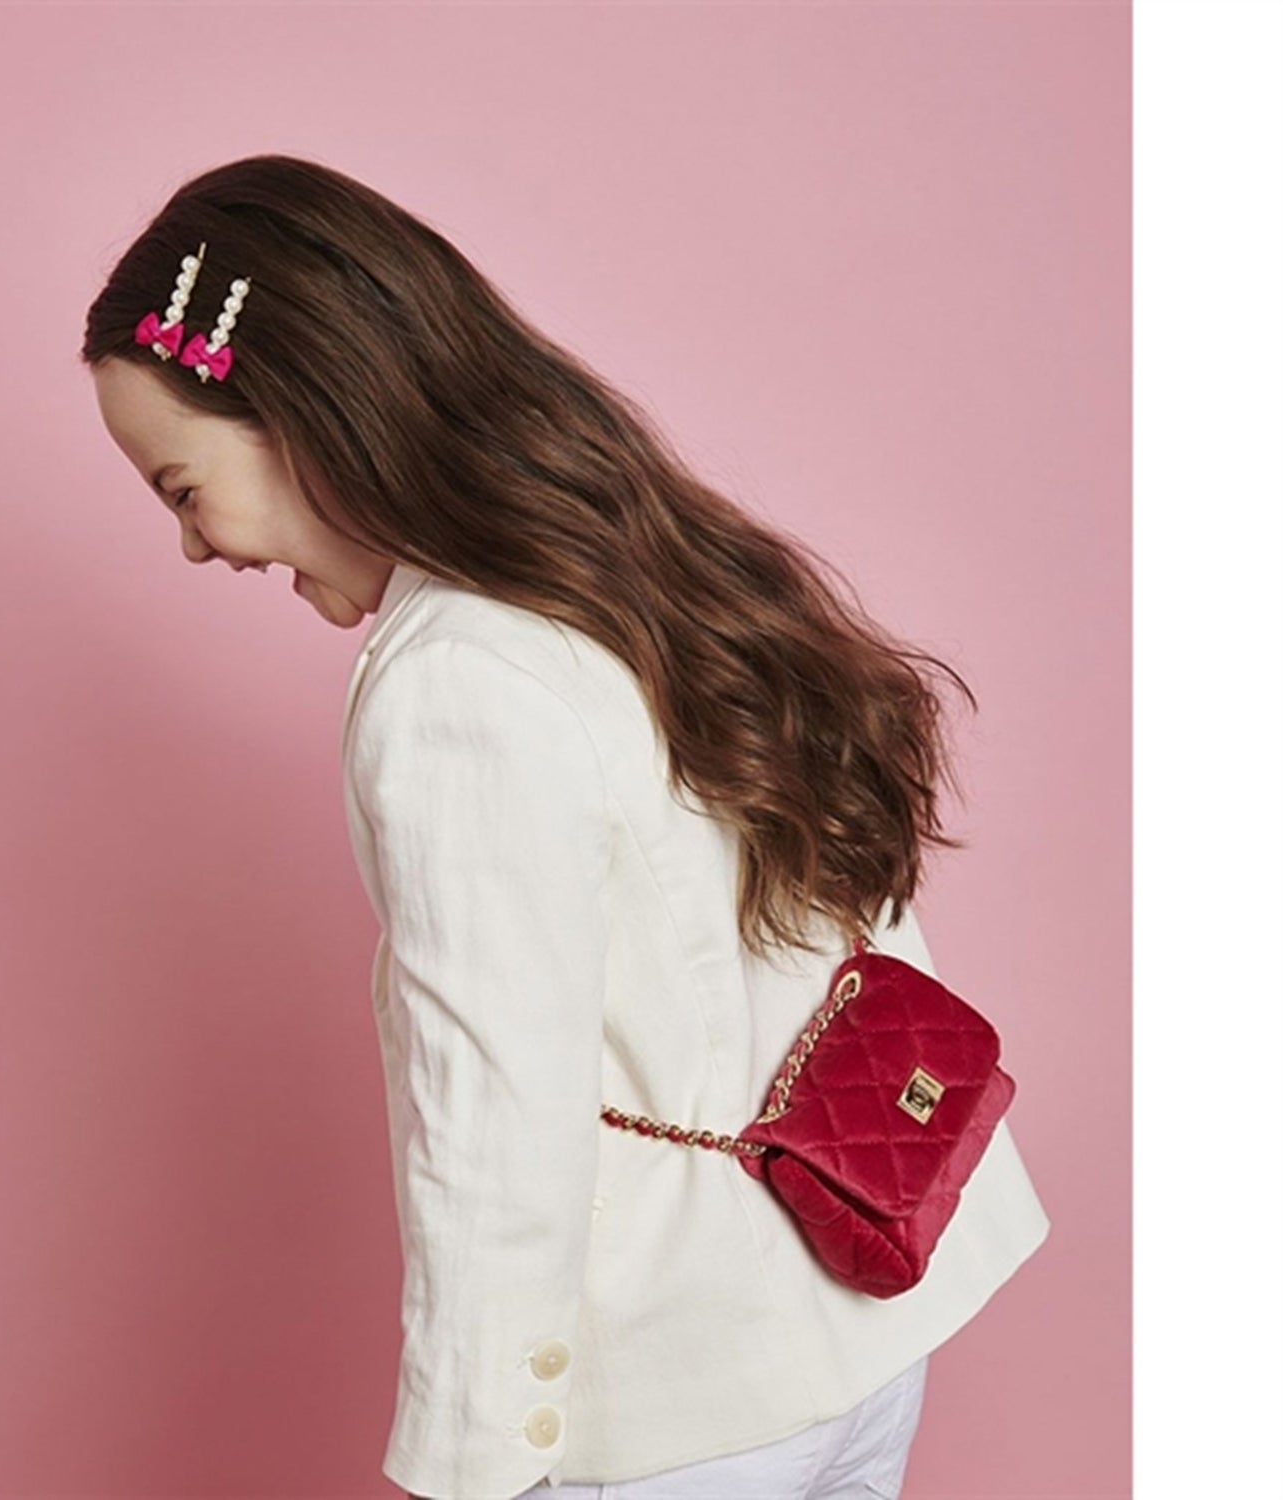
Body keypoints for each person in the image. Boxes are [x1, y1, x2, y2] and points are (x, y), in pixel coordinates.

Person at [83, 154, 1051, 1500]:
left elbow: (497, 1110)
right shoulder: (629, 557)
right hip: (867, 1320)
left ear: (301, 416)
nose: (195, 546)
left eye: (182, 488)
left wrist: (470, 1462)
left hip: (673, 1406)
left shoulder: (457, 677)